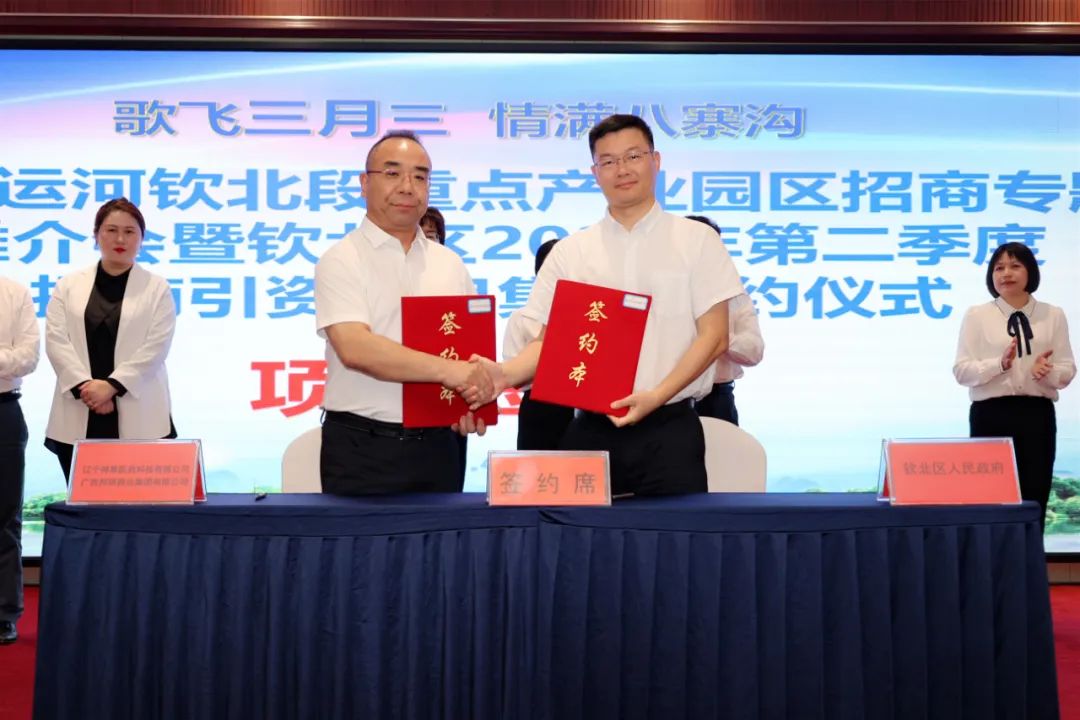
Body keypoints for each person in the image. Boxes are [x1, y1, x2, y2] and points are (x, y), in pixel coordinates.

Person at [469, 114, 746, 495]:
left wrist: (656, 396)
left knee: (673, 533)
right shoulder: (571, 252)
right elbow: (548, 344)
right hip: (590, 429)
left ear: (655, 160)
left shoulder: (697, 240)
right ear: (595, 172)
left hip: (670, 429)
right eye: (609, 161)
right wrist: (502, 375)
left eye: (633, 156)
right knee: (580, 534)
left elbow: (715, 336)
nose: (622, 170)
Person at [314, 131, 491, 495]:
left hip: (441, 445)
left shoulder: (450, 263)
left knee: (445, 535)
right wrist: (452, 371)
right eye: (392, 173)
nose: (408, 187)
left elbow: (467, 348)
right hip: (363, 448)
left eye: (420, 176)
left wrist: (473, 403)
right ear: (365, 183)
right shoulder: (341, 259)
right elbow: (355, 348)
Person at [44, 197, 177, 480]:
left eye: (130, 231)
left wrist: (112, 386)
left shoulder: (157, 288)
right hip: (80, 404)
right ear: (96, 234)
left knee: (140, 500)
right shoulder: (68, 285)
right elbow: (56, 341)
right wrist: (88, 389)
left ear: (142, 239)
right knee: (83, 500)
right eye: (111, 230)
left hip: (139, 409)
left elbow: (156, 347)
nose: (120, 239)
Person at [953, 242, 1075, 529]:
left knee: (1034, 495)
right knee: (990, 499)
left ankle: (1030, 556)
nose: (1006, 273)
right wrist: (999, 364)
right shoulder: (977, 315)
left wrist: (1047, 373)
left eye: (1015, 266)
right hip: (990, 415)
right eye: (999, 268)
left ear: (1030, 271)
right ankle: (990, 558)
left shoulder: (1053, 314)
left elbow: (1067, 368)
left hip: (1037, 414)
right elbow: (961, 371)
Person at [685, 215, 764, 426]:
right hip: (663, 400)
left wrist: (716, 333)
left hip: (716, 400)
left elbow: (754, 353)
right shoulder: (653, 291)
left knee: (722, 448)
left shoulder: (734, 296)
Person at [503, 238, 574, 450]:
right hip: (539, 408)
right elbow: (513, 372)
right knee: (537, 467)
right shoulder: (521, 317)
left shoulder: (590, 315)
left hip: (581, 408)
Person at [0, 277, 39, 645]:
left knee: (5, 517)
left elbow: (28, 358)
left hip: (4, 411)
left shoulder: (14, 292)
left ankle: (4, 613)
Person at [419, 205, 468, 487]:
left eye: (431, 236)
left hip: (449, 404)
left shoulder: (453, 269)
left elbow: (471, 336)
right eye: (418, 235)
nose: (425, 243)